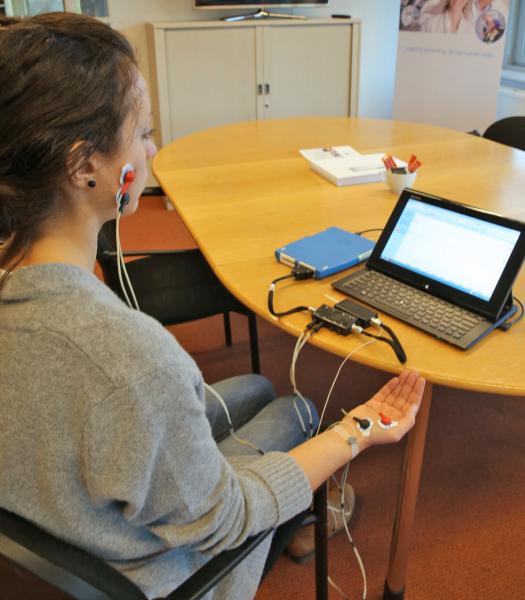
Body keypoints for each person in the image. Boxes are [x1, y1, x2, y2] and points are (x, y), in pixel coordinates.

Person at [0, 12, 426, 600]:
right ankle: (310, 522)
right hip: (165, 573)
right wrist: (356, 430)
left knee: (255, 388)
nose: (152, 148)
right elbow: (227, 520)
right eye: (143, 133)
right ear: (84, 166)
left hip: (69, 519)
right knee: (301, 411)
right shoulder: (131, 360)